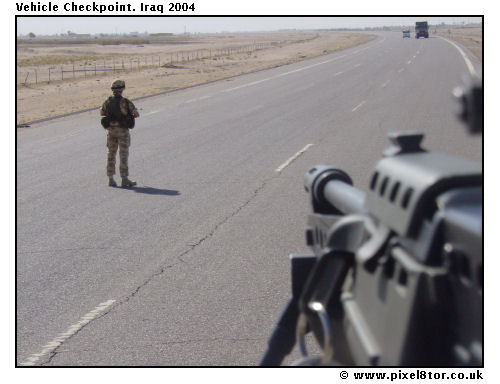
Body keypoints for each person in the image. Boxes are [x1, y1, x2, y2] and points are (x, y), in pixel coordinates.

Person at [100, 80, 140, 187]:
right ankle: (124, 178)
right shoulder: (126, 102)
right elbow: (136, 114)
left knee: (111, 154)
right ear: (122, 90)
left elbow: (102, 113)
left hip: (111, 131)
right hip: (122, 131)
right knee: (123, 154)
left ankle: (111, 178)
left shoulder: (107, 102)